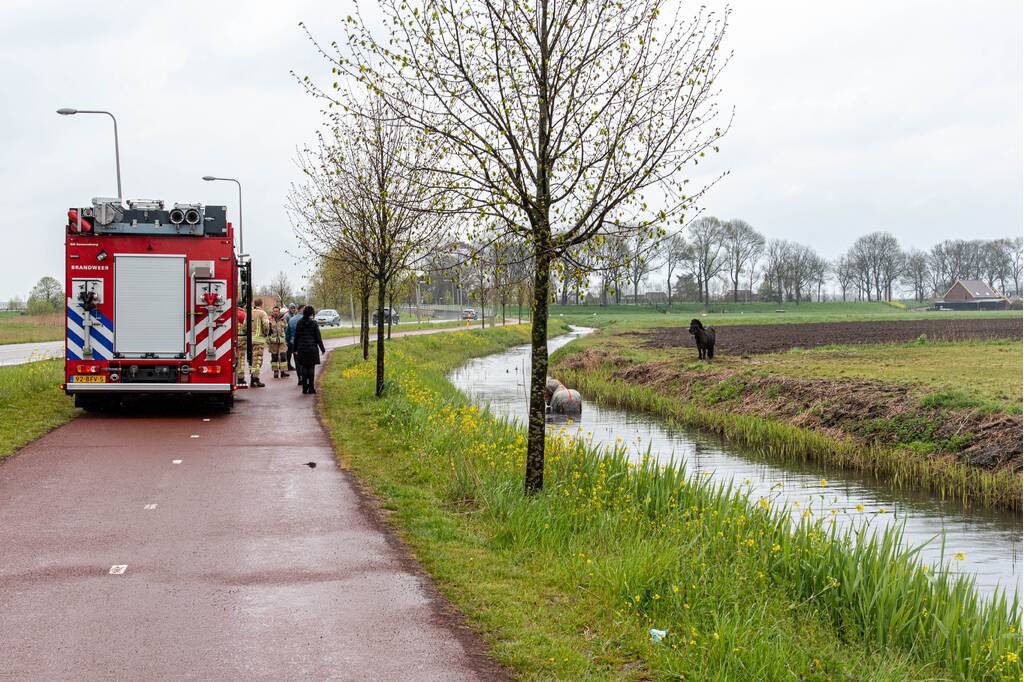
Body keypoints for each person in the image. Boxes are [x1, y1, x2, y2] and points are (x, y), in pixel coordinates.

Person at [292, 305, 325, 394]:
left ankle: (304, 388)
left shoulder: (299, 323)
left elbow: (296, 337)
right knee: (311, 367)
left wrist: (294, 349)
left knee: (304, 367)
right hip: (312, 348)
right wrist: (322, 349)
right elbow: (318, 338)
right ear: (311, 313)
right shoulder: (314, 323)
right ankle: (311, 388)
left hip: (302, 348)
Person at [249, 298, 271, 388]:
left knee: (251, 359)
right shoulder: (263, 313)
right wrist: (266, 333)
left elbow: (244, 325)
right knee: (257, 360)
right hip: (259, 340)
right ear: (261, 304)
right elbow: (266, 325)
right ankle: (255, 379)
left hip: (250, 340)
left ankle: (253, 378)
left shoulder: (249, 312)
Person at [267, 305, 290, 379]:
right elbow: (266, 330)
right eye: (274, 311)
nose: (275, 312)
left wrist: (286, 338)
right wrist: (268, 339)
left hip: (282, 341)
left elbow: (286, 328)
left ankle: (283, 372)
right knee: (274, 357)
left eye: (277, 311)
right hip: (273, 341)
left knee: (283, 355)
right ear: (272, 312)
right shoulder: (269, 320)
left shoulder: (283, 319)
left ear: (279, 312)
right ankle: (275, 372)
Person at [288, 303, 305, 383]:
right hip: (303, 343)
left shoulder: (291, 319)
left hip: (293, 342)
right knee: (304, 361)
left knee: (297, 361)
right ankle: (304, 377)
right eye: (304, 309)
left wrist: (288, 341)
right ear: (301, 309)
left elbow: (288, 332)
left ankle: (300, 378)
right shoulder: (305, 319)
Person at [235, 306, 248, 388]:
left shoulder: (230, 312)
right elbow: (246, 327)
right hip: (241, 339)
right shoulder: (243, 314)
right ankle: (240, 378)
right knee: (241, 358)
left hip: (230, 340)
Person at [285, 303, 298, 371]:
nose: (293, 309)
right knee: (288, 352)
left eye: (294, 308)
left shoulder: (294, 315)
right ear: (289, 308)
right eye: (291, 308)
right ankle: (288, 365)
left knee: (293, 351)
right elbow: (285, 327)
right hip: (288, 336)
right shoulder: (287, 316)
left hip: (293, 336)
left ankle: (290, 365)